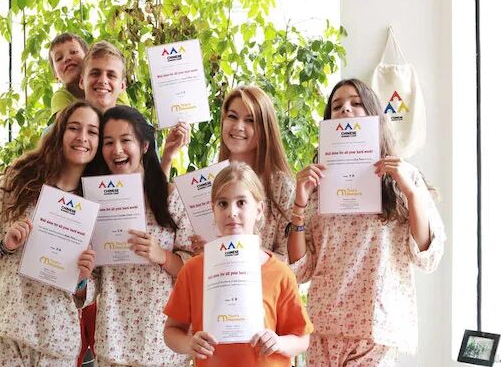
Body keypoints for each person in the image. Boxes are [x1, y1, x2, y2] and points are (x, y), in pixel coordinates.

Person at [287, 78, 446, 366]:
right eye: (337, 106)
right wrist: (299, 203)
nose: (345, 110)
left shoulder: (405, 176)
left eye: (356, 103)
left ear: (373, 113)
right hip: (324, 325)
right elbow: (300, 269)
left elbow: (427, 256)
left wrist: (411, 193)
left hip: (377, 328)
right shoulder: (317, 185)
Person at [0, 101, 100, 366]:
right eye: (74, 128)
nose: (82, 137)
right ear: (59, 132)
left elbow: (95, 281)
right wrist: (4, 244)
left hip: (56, 337)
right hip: (3, 328)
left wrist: (82, 280)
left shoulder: (98, 202)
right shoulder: (18, 179)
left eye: (92, 131)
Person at [164, 162, 313, 366]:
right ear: (213, 210)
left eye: (241, 202)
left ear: (259, 209)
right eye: (222, 204)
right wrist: (189, 343)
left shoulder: (280, 272)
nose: (231, 212)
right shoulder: (193, 269)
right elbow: (171, 331)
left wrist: (278, 342)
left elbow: (302, 339)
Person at [91, 105, 194, 366]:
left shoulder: (172, 198)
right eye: (108, 142)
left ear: (145, 146)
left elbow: (193, 269)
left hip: (162, 343)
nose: (117, 150)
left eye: (126, 140)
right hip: (113, 341)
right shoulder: (95, 202)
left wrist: (162, 256)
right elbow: (93, 279)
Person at [191, 86, 294, 260]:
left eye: (250, 120)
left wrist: (232, 250)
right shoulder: (206, 181)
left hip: (265, 278)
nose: (238, 126)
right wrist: (203, 253)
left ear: (265, 129)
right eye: (232, 116)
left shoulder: (281, 185)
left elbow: (290, 262)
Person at [79, 40, 189, 179]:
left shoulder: (140, 127)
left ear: (122, 86)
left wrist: (168, 156)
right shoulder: (65, 129)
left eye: (111, 75)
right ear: (82, 81)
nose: (103, 80)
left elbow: (155, 186)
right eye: (95, 73)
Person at [49, 33, 129, 116]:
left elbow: (124, 119)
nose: (67, 58)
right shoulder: (62, 96)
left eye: (74, 52)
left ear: (87, 57)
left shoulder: (113, 84)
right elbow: (64, 123)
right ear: (55, 74)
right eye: (59, 58)